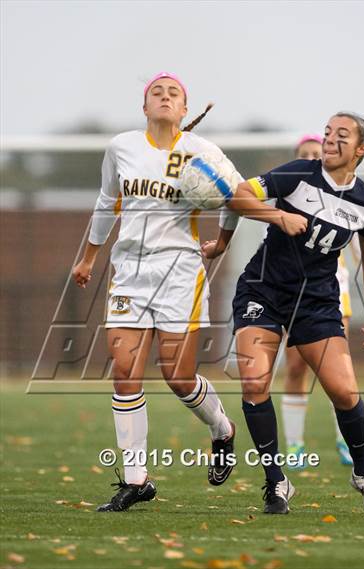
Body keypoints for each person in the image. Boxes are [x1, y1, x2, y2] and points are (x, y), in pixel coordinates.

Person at [204, 112, 364, 515]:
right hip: (263, 290)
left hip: (317, 301)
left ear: (361, 149)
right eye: (327, 132)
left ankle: (363, 473)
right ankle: (276, 483)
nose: (330, 139)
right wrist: (277, 215)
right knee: (254, 383)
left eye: (342, 135)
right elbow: (238, 195)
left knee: (344, 392)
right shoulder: (298, 173)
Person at [72, 72, 236, 512]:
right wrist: (88, 257)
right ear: (144, 107)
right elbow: (107, 203)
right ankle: (136, 479)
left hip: (180, 270)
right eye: (156, 93)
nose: (164, 98)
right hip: (128, 271)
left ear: (185, 109)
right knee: (124, 371)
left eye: (173, 93)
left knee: (176, 375)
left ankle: (222, 429)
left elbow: (236, 196)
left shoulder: (203, 153)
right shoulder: (121, 147)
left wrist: (221, 242)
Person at [282, 134, 353, 468]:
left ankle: (346, 439)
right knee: (295, 366)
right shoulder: (287, 193)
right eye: (304, 154)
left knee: (338, 369)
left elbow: (361, 247)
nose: (312, 157)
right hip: (294, 290)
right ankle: (294, 445)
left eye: (316, 152)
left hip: (333, 291)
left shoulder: (344, 195)